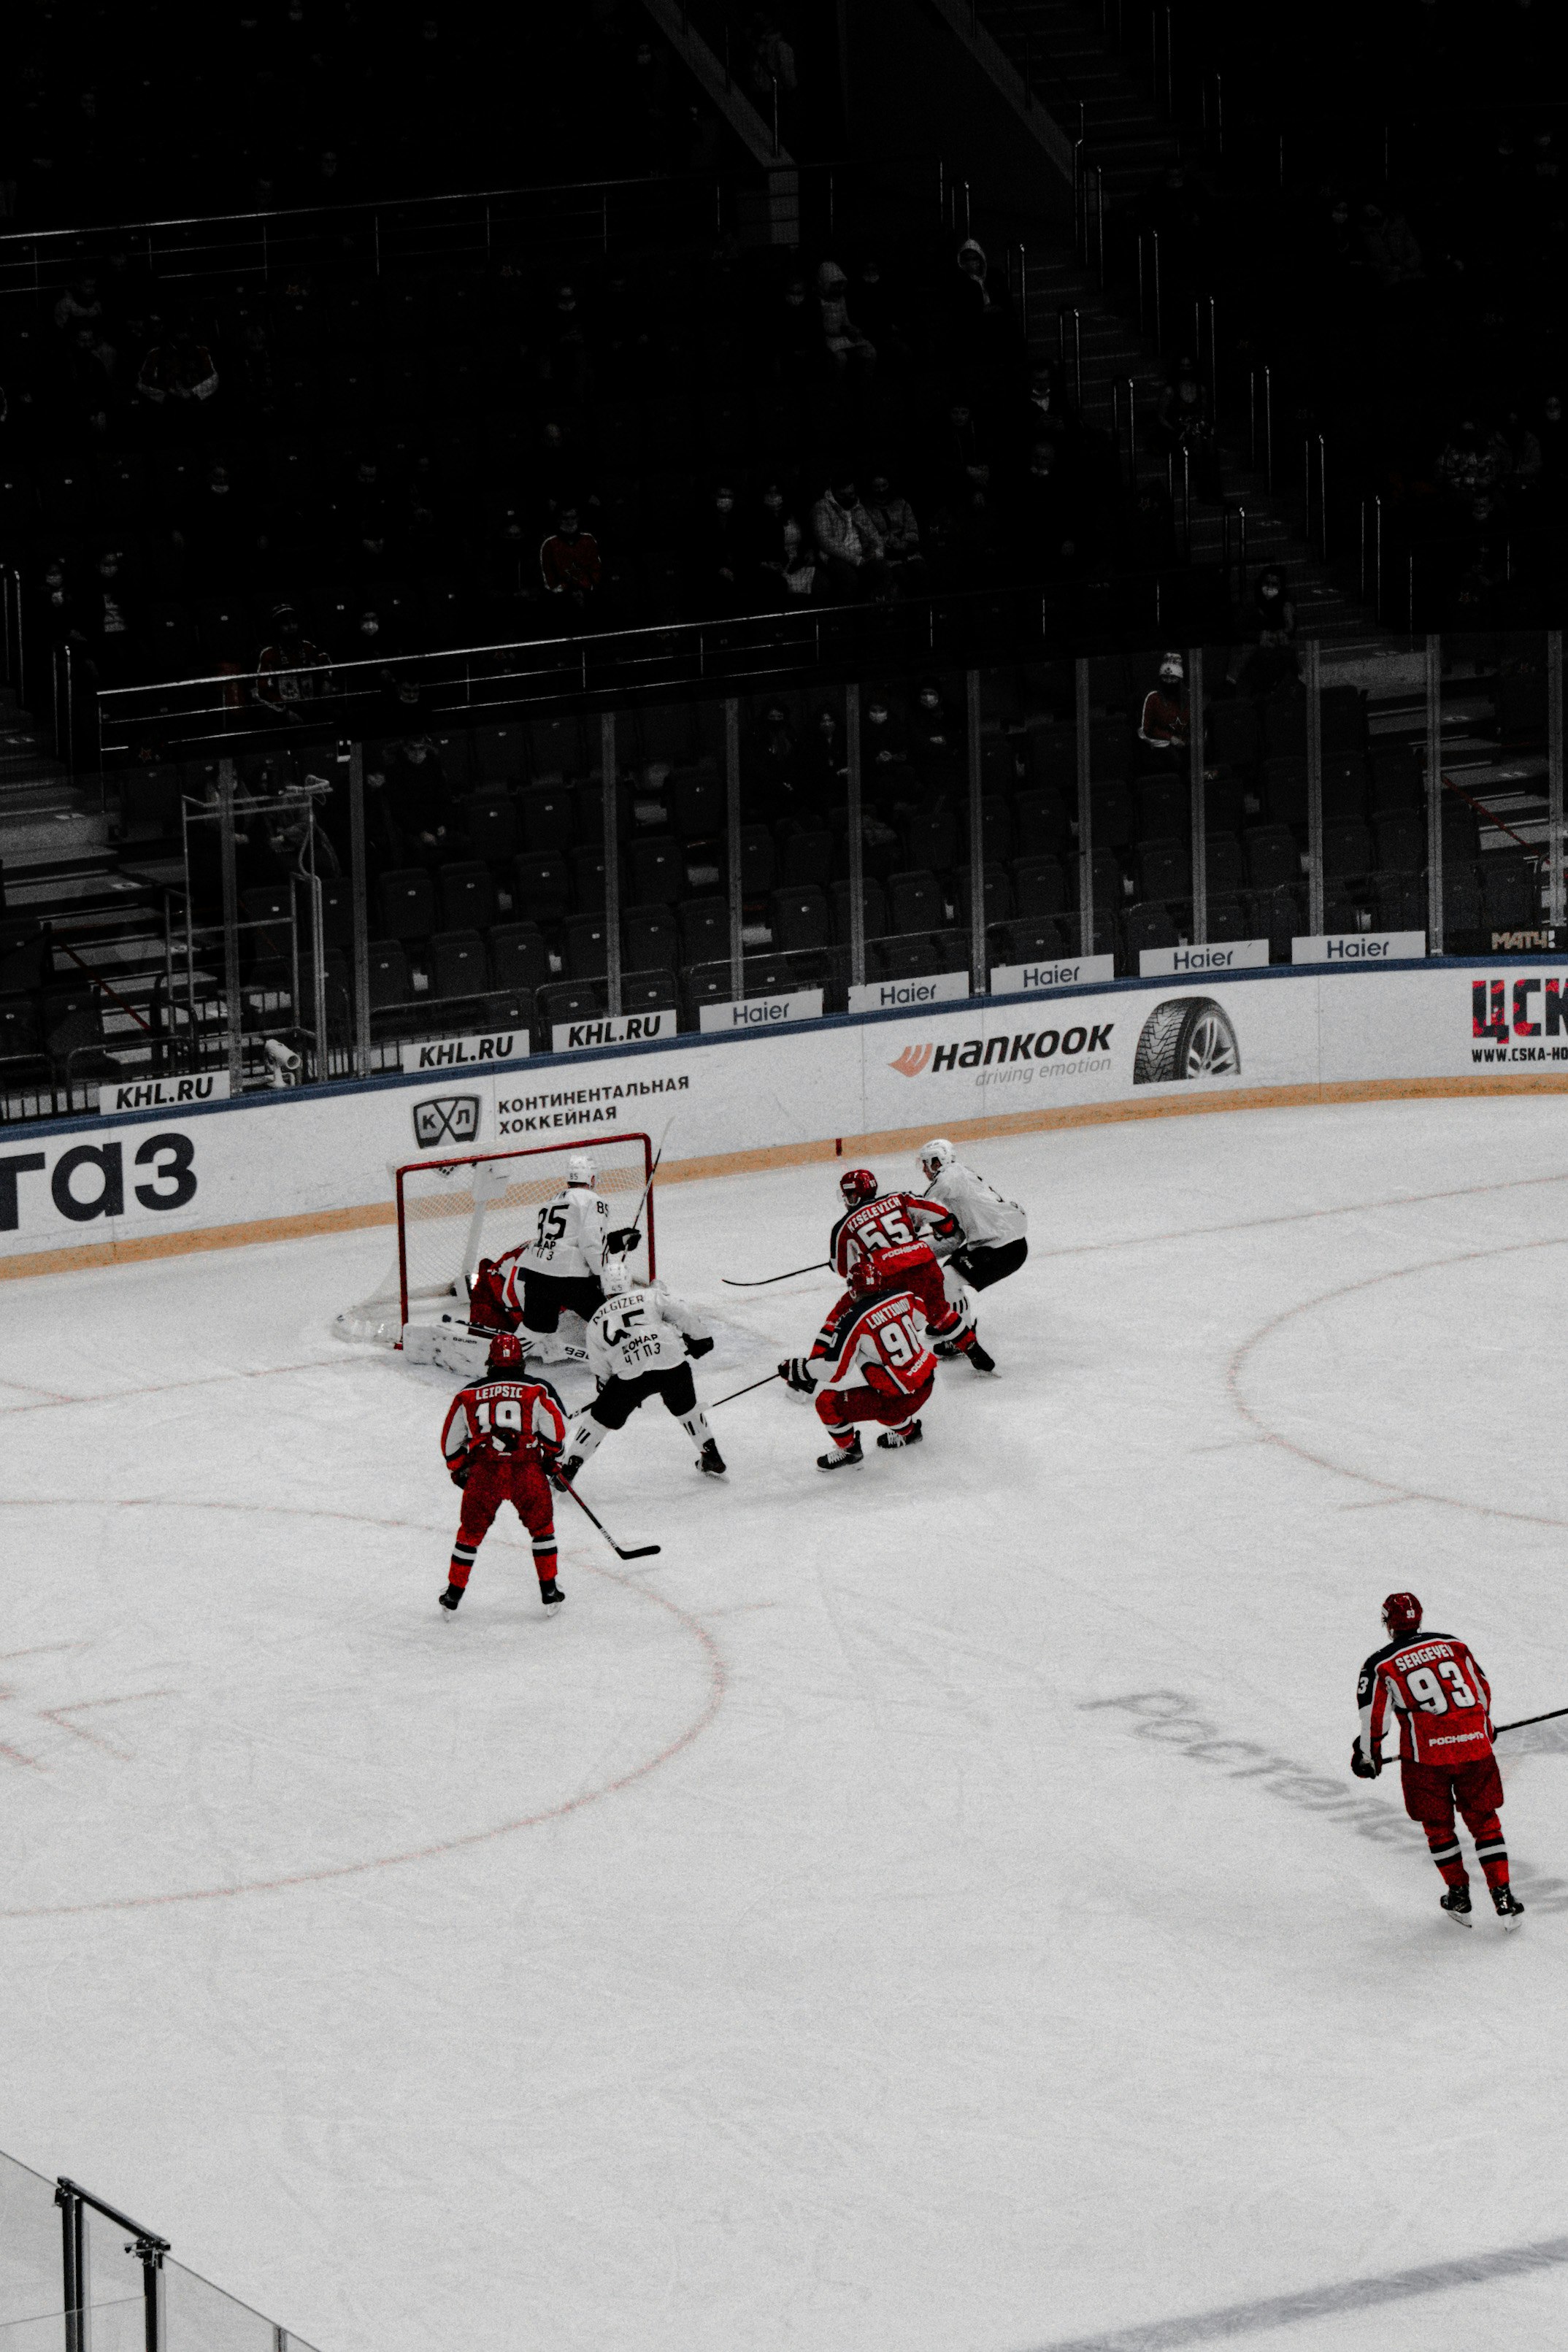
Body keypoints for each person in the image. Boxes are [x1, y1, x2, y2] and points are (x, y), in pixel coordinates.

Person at [1351, 1591, 1523, 1927]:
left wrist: (1367, 1756)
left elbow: (1374, 1716)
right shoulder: (1453, 1644)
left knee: (1438, 1826)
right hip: (1475, 1749)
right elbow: (1481, 1687)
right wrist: (1484, 1727)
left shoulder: (1381, 1663)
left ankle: (1458, 1895)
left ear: (1388, 1623)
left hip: (1426, 1757)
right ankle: (1503, 1896)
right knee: (1485, 1820)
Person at [438, 1330, 567, 1614]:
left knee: (469, 1533)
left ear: (490, 1362)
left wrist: (460, 1469)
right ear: (521, 1361)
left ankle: (453, 1594)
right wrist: (550, 1457)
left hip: (485, 1473)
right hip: (527, 1471)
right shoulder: (538, 1389)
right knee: (542, 1529)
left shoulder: (468, 1394)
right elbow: (556, 1434)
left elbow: (450, 1443)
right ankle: (549, 1591)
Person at [559, 1262, 725, 1480]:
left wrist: (610, 1389)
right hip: (671, 1363)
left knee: (598, 1421)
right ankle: (711, 1455)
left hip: (630, 1376)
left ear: (604, 1287)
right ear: (628, 1281)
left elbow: (600, 1365)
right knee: (688, 1411)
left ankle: (570, 1467)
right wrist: (701, 1337)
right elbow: (682, 1311)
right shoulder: (650, 1295)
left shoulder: (596, 1320)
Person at [820, 1164, 994, 1370]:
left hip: (888, 1276)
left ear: (853, 1197)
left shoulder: (844, 1226)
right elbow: (942, 1216)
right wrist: (942, 1231)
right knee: (940, 1313)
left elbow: (843, 1269)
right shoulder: (900, 1199)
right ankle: (975, 1351)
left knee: (889, 1320)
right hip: (923, 1264)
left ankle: (900, 1366)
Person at [469, 1153, 640, 1361]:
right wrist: (605, 1277)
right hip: (569, 1277)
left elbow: (567, 1240)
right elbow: (591, 1243)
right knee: (607, 1316)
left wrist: (616, 1241)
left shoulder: (552, 1200)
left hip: (537, 1274)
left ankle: (503, 1361)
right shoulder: (594, 1201)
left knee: (536, 1327)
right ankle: (632, 1359)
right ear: (592, 1179)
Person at [779, 1257, 938, 1469]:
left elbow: (833, 1372)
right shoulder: (904, 1295)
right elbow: (921, 1319)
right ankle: (910, 1433)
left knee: (827, 1403)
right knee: (886, 1404)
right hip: (927, 1380)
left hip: (899, 1397)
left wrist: (798, 1369)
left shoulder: (852, 1321)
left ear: (853, 1288)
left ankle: (849, 1450)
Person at [915, 1139, 1028, 1299]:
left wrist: (909, 1228)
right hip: (1003, 1244)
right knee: (946, 1276)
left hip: (1002, 1249)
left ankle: (958, 1324)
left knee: (946, 1281)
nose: (924, 1170)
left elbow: (922, 1207)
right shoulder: (960, 1174)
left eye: (925, 1164)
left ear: (936, 1162)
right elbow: (957, 1235)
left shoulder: (949, 1176)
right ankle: (956, 1319)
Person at [811, 477, 889, 602]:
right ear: (834, 492)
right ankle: (847, 616)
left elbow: (873, 534)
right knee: (849, 578)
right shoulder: (822, 507)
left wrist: (877, 552)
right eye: (842, 495)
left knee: (881, 569)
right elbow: (825, 541)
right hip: (834, 556)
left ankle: (877, 612)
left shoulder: (857, 507)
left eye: (851, 494)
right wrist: (855, 559)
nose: (848, 498)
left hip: (862, 553)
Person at [255, 602, 327, 720]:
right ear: (277, 627)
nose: (291, 627)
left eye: (294, 623)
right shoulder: (268, 653)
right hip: (284, 710)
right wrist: (285, 711)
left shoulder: (308, 647)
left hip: (311, 705)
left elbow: (325, 663)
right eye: (286, 624)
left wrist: (327, 680)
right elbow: (263, 690)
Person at [539, 506, 602, 614]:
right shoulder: (549, 544)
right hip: (560, 598)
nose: (569, 522)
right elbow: (548, 576)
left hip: (589, 593)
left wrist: (588, 587)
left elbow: (596, 567)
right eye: (565, 518)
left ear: (578, 518)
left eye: (573, 518)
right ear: (559, 520)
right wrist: (564, 590)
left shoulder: (588, 539)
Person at [1137, 652, 1190, 756]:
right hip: (1163, 746)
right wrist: (1169, 738)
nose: (1169, 682)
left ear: (1180, 679)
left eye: (1173, 678)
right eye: (1165, 677)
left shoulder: (1189, 696)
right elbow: (1145, 730)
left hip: (1185, 743)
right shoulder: (1153, 697)